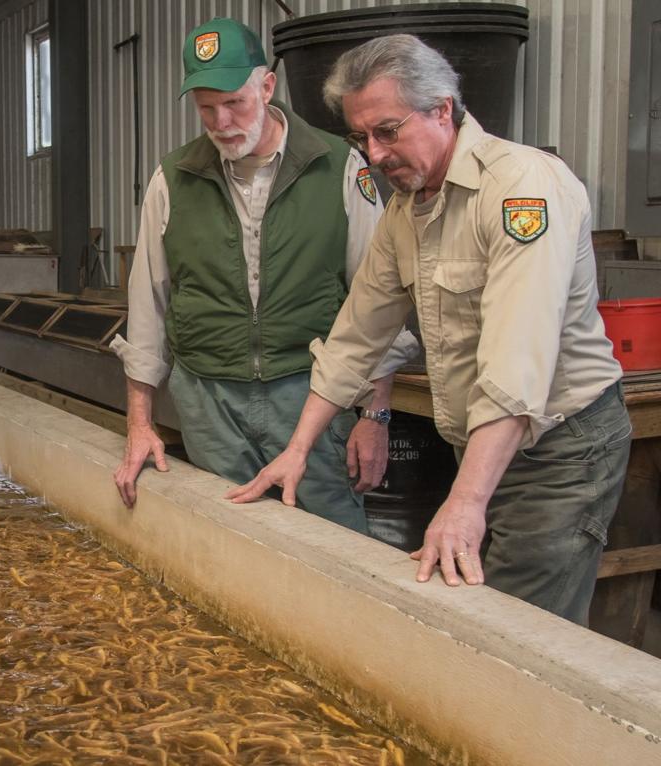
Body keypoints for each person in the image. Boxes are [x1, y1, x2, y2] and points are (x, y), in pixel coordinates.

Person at [228, 34, 631, 625]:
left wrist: (465, 502)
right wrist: (296, 451)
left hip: (561, 446)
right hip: (485, 441)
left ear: (442, 109)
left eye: (387, 131)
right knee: (478, 606)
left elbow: (516, 367)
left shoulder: (522, 189)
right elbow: (354, 338)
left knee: (519, 627)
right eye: (360, 137)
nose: (374, 153)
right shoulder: (406, 210)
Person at [110, 17, 418, 534]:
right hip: (209, 397)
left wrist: (375, 414)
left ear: (267, 86)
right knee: (223, 535)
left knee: (330, 537)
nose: (222, 120)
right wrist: (139, 424)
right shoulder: (173, 178)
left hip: (311, 391)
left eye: (235, 102)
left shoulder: (337, 165)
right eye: (206, 108)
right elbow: (148, 305)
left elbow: (376, 304)